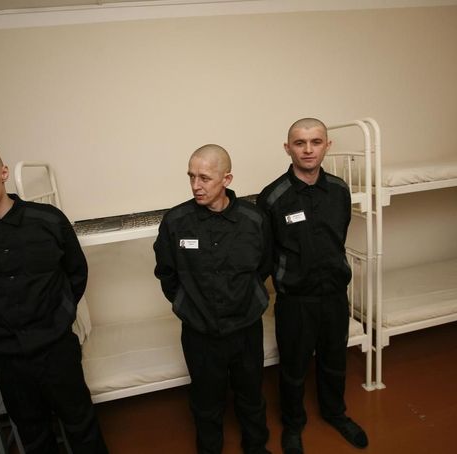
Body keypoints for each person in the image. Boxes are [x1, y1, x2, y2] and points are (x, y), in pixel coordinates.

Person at [0, 143, 108, 454]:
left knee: (81, 423)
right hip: (7, 354)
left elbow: (76, 273)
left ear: (3, 174)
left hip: (55, 346)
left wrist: (59, 315)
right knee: (31, 431)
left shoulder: (47, 220)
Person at [257, 118, 368, 453]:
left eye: (315, 142)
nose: (308, 149)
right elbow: (265, 254)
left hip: (334, 295)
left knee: (335, 360)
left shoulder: (339, 190)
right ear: (287, 147)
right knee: (293, 367)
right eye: (300, 143)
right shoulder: (273, 197)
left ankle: (336, 413)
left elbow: (339, 236)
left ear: (327, 146)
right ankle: (293, 425)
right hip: (296, 300)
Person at [154, 144, 272, 454]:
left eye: (204, 178)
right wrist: (187, 305)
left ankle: (256, 447)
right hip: (200, 333)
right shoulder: (176, 221)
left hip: (246, 328)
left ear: (227, 179)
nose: (195, 185)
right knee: (206, 402)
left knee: (251, 396)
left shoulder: (254, 219)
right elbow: (166, 272)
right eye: (191, 176)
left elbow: (264, 266)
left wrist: (245, 299)